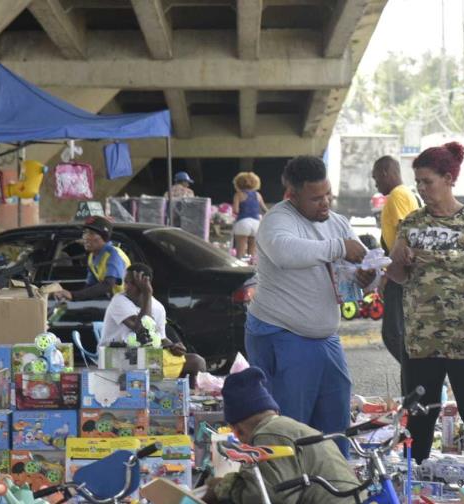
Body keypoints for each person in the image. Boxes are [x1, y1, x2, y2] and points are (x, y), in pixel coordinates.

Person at [385, 141, 464, 483]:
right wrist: (398, 263)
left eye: (427, 181)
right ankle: (412, 484)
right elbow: (398, 276)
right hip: (420, 340)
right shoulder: (412, 222)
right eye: (417, 182)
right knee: (418, 418)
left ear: (449, 179)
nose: (421, 188)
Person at [245, 156, 368, 456]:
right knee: (291, 434)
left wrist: (367, 277)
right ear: (292, 194)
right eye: (315, 198)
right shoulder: (277, 220)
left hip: (326, 338)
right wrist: (339, 247)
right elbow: (286, 253)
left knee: (335, 429)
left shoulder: (337, 222)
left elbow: (351, 272)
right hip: (283, 334)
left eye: (327, 194)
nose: (324, 203)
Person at [204, 367, 360, 504]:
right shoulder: (291, 427)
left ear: (237, 430)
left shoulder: (268, 434)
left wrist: (225, 488)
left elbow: (273, 497)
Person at [101, 263, 206, 388]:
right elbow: (141, 329)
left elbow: (160, 338)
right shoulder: (119, 301)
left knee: (197, 362)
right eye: (125, 282)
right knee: (151, 365)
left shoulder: (158, 307)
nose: (126, 287)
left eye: (131, 283)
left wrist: (173, 346)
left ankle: (190, 399)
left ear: (145, 283)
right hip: (118, 356)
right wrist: (147, 294)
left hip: (146, 358)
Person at [371, 156, 420, 372]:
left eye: (375, 178)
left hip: (401, 275)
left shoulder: (398, 195)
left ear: (385, 173)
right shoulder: (403, 194)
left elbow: (405, 234)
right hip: (401, 272)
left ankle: (417, 375)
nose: (375, 184)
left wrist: (388, 275)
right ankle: (416, 375)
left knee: (393, 332)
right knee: (399, 332)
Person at [54, 216, 130, 302]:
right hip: (115, 303)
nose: (85, 237)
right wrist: (70, 296)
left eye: (91, 233)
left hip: (127, 305)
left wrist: (73, 295)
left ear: (104, 237)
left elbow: (108, 284)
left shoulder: (113, 255)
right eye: (85, 232)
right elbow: (90, 286)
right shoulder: (92, 257)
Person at [232, 171, 268, 258]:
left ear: (238, 183)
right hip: (256, 224)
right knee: (252, 253)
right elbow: (266, 210)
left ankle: (239, 269)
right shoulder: (258, 195)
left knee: (240, 252)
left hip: (243, 222)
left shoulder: (238, 195)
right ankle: (251, 268)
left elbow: (235, 210)